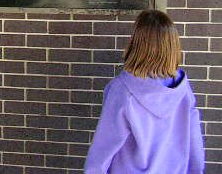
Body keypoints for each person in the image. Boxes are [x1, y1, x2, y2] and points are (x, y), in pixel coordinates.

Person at [84, 9, 205, 174]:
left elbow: (104, 147)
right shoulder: (183, 89)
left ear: (137, 43)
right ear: (172, 46)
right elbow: (194, 140)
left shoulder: (121, 90)